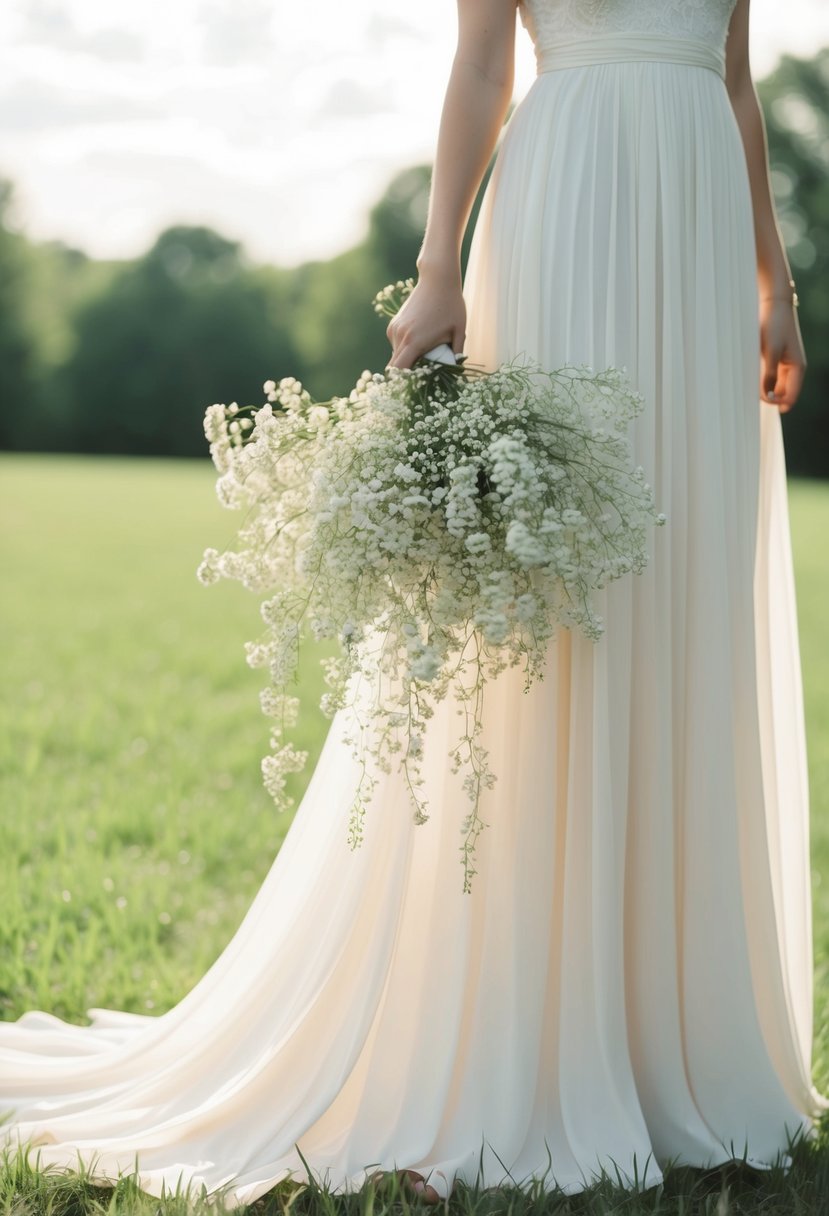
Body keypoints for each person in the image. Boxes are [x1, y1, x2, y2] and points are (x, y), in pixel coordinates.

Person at [1, 0, 827, 1208]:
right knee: (551, 607)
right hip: (569, 219)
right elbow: (482, 62)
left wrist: (775, 281)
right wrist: (438, 268)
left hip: (699, 241)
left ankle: (675, 1040)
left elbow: (739, 81)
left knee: (679, 597)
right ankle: (523, 1028)